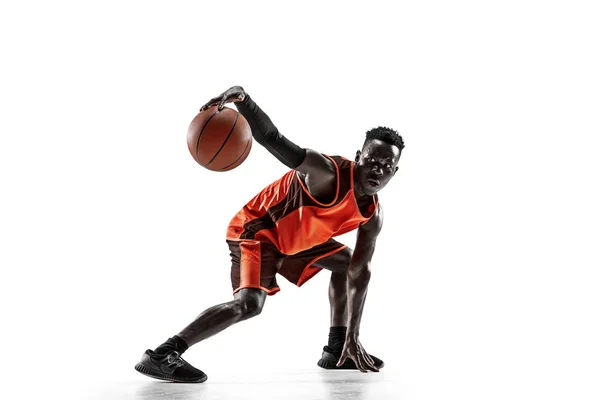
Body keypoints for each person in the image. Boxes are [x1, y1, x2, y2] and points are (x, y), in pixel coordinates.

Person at [134, 86, 405, 383]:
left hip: (297, 240)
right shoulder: (325, 172)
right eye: (372, 161)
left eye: (387, 166)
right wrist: (244, 101)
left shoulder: (372, 215)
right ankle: (163, 354)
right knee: (249, 305)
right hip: (257, 232)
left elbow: (360, 271)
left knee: (348, 262)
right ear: (359, 156)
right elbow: (272, 139)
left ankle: (339, 347)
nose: (377, 171)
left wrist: (355, 335)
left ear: (395, 171)